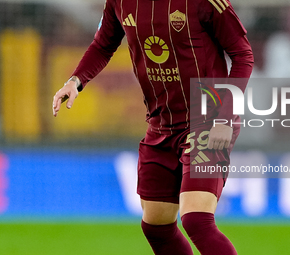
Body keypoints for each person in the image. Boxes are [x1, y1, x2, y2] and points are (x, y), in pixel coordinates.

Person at [52, 0, 253, 254]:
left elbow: (243, 54)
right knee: (156, 226)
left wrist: (225, 117)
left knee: (196, 220)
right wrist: (76, 80)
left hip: (208, 120)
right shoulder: (119, 2)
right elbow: (103, 45)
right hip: (161, 125)